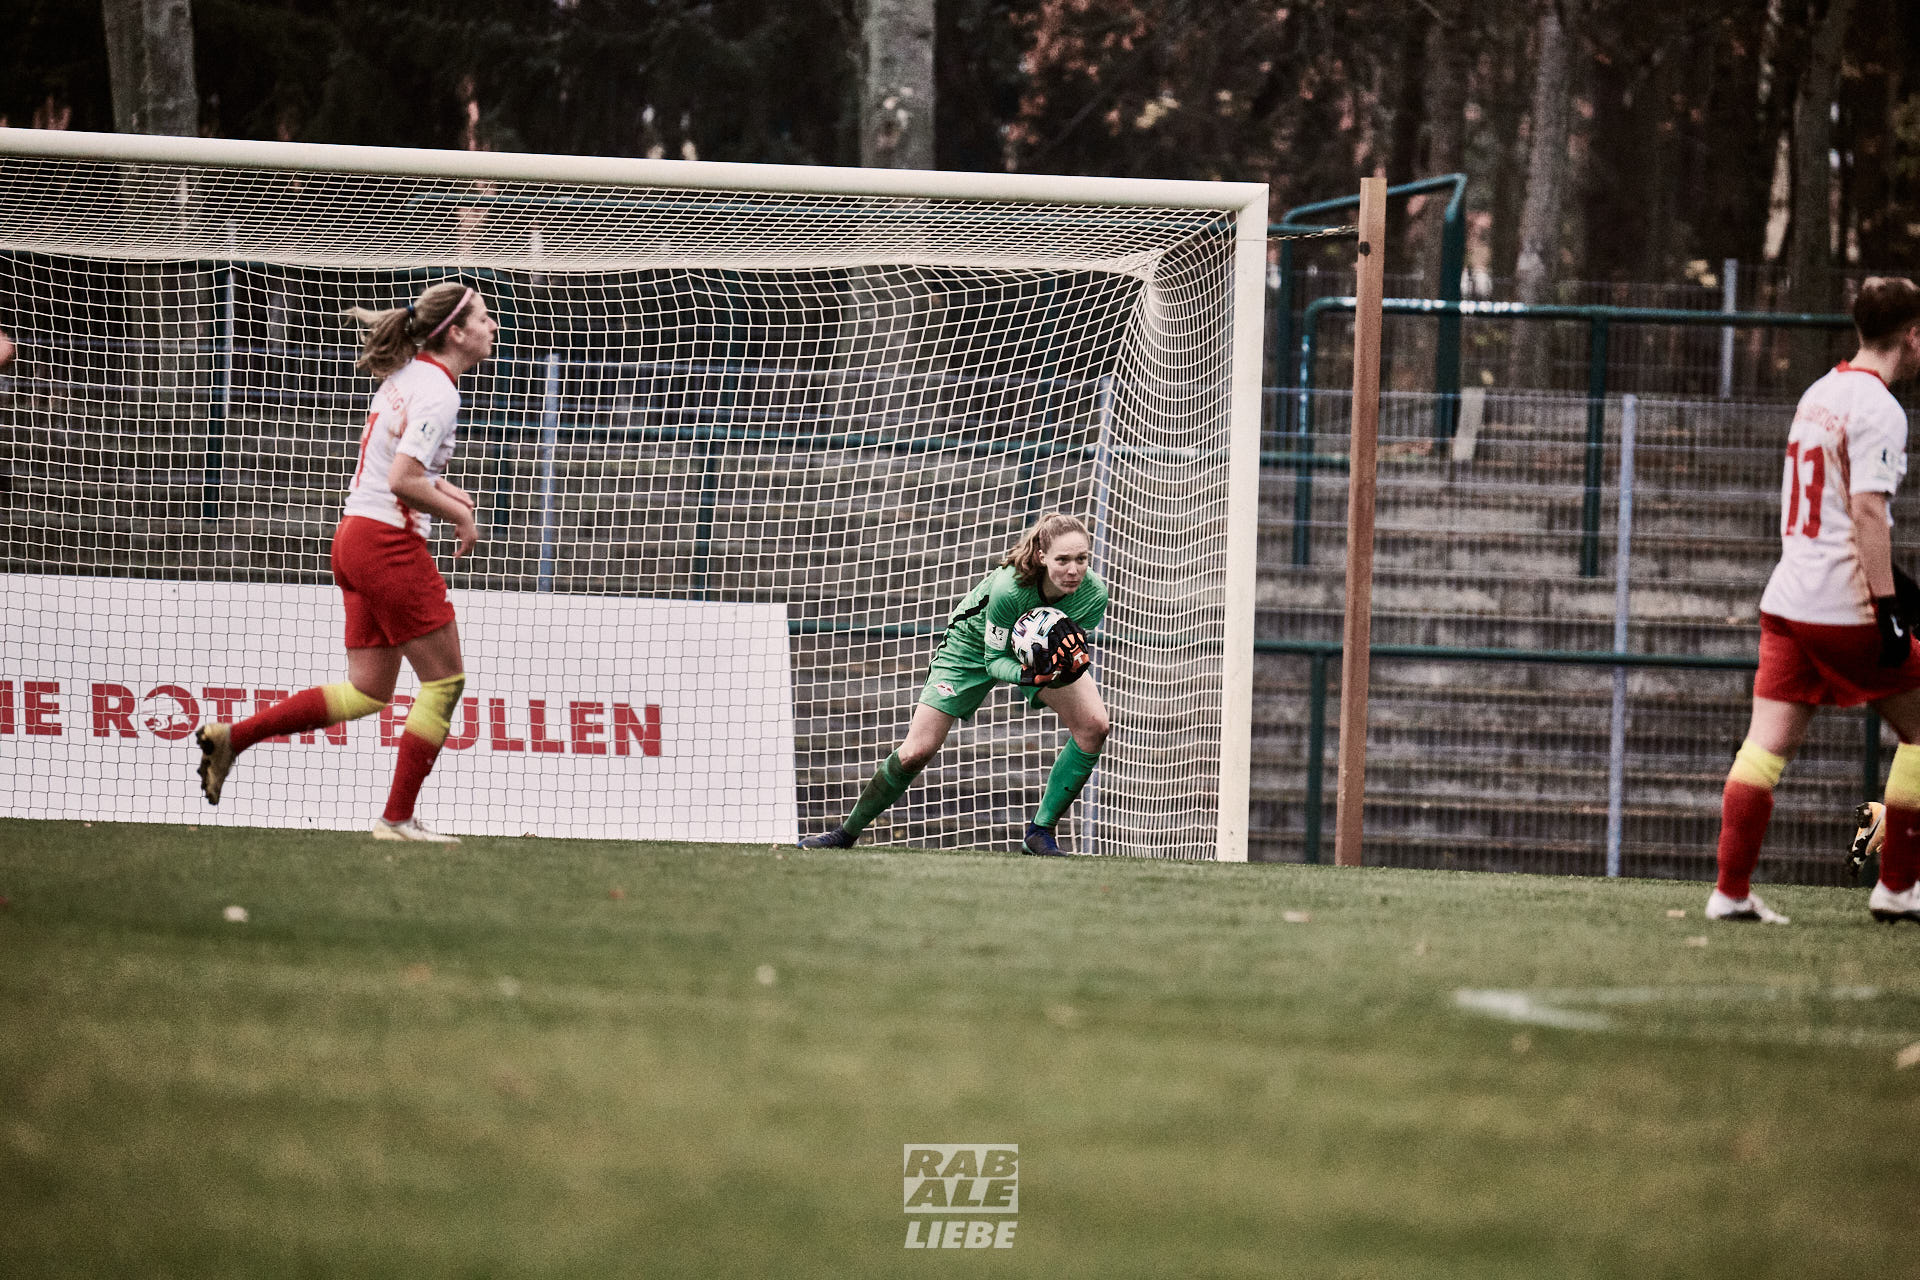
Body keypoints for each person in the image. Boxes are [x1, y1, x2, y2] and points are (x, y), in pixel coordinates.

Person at [194, 281, 498, 843]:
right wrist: (461, 516)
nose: (492, 327)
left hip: (354, 537)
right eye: (482, 318)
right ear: (455, 332)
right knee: (444, 682)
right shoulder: (439, 392)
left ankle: (232, 737)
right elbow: (403, 479)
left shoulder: (408, 377)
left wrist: (453, 497)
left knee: (366, 692)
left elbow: (398, 464)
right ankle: (397, 820)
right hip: (387, 544)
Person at [1709, 276, 1920, 924]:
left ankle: (1731, 893)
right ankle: (1897, 887)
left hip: (1789, 600)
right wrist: (1889, 608)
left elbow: (1829, 508)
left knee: (1763, 749)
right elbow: (1865, 513)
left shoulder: (1821, 392)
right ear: (1912, 336)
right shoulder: (1880, 407)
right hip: (1842, 605)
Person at [799, 511, 1111, 856]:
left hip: (1028, 654)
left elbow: (1061, 647)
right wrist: (1032, 676)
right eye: (1063, 559)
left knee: (1094, 726)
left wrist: (1060, 668)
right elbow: (994, 661)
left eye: (1082, 559)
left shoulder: (1093, 594)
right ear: (1041, 557)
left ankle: (1039, 833)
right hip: (971, 648)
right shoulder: (1010, 588)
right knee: (916, 752)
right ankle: (845, 833)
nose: (1073, 570)